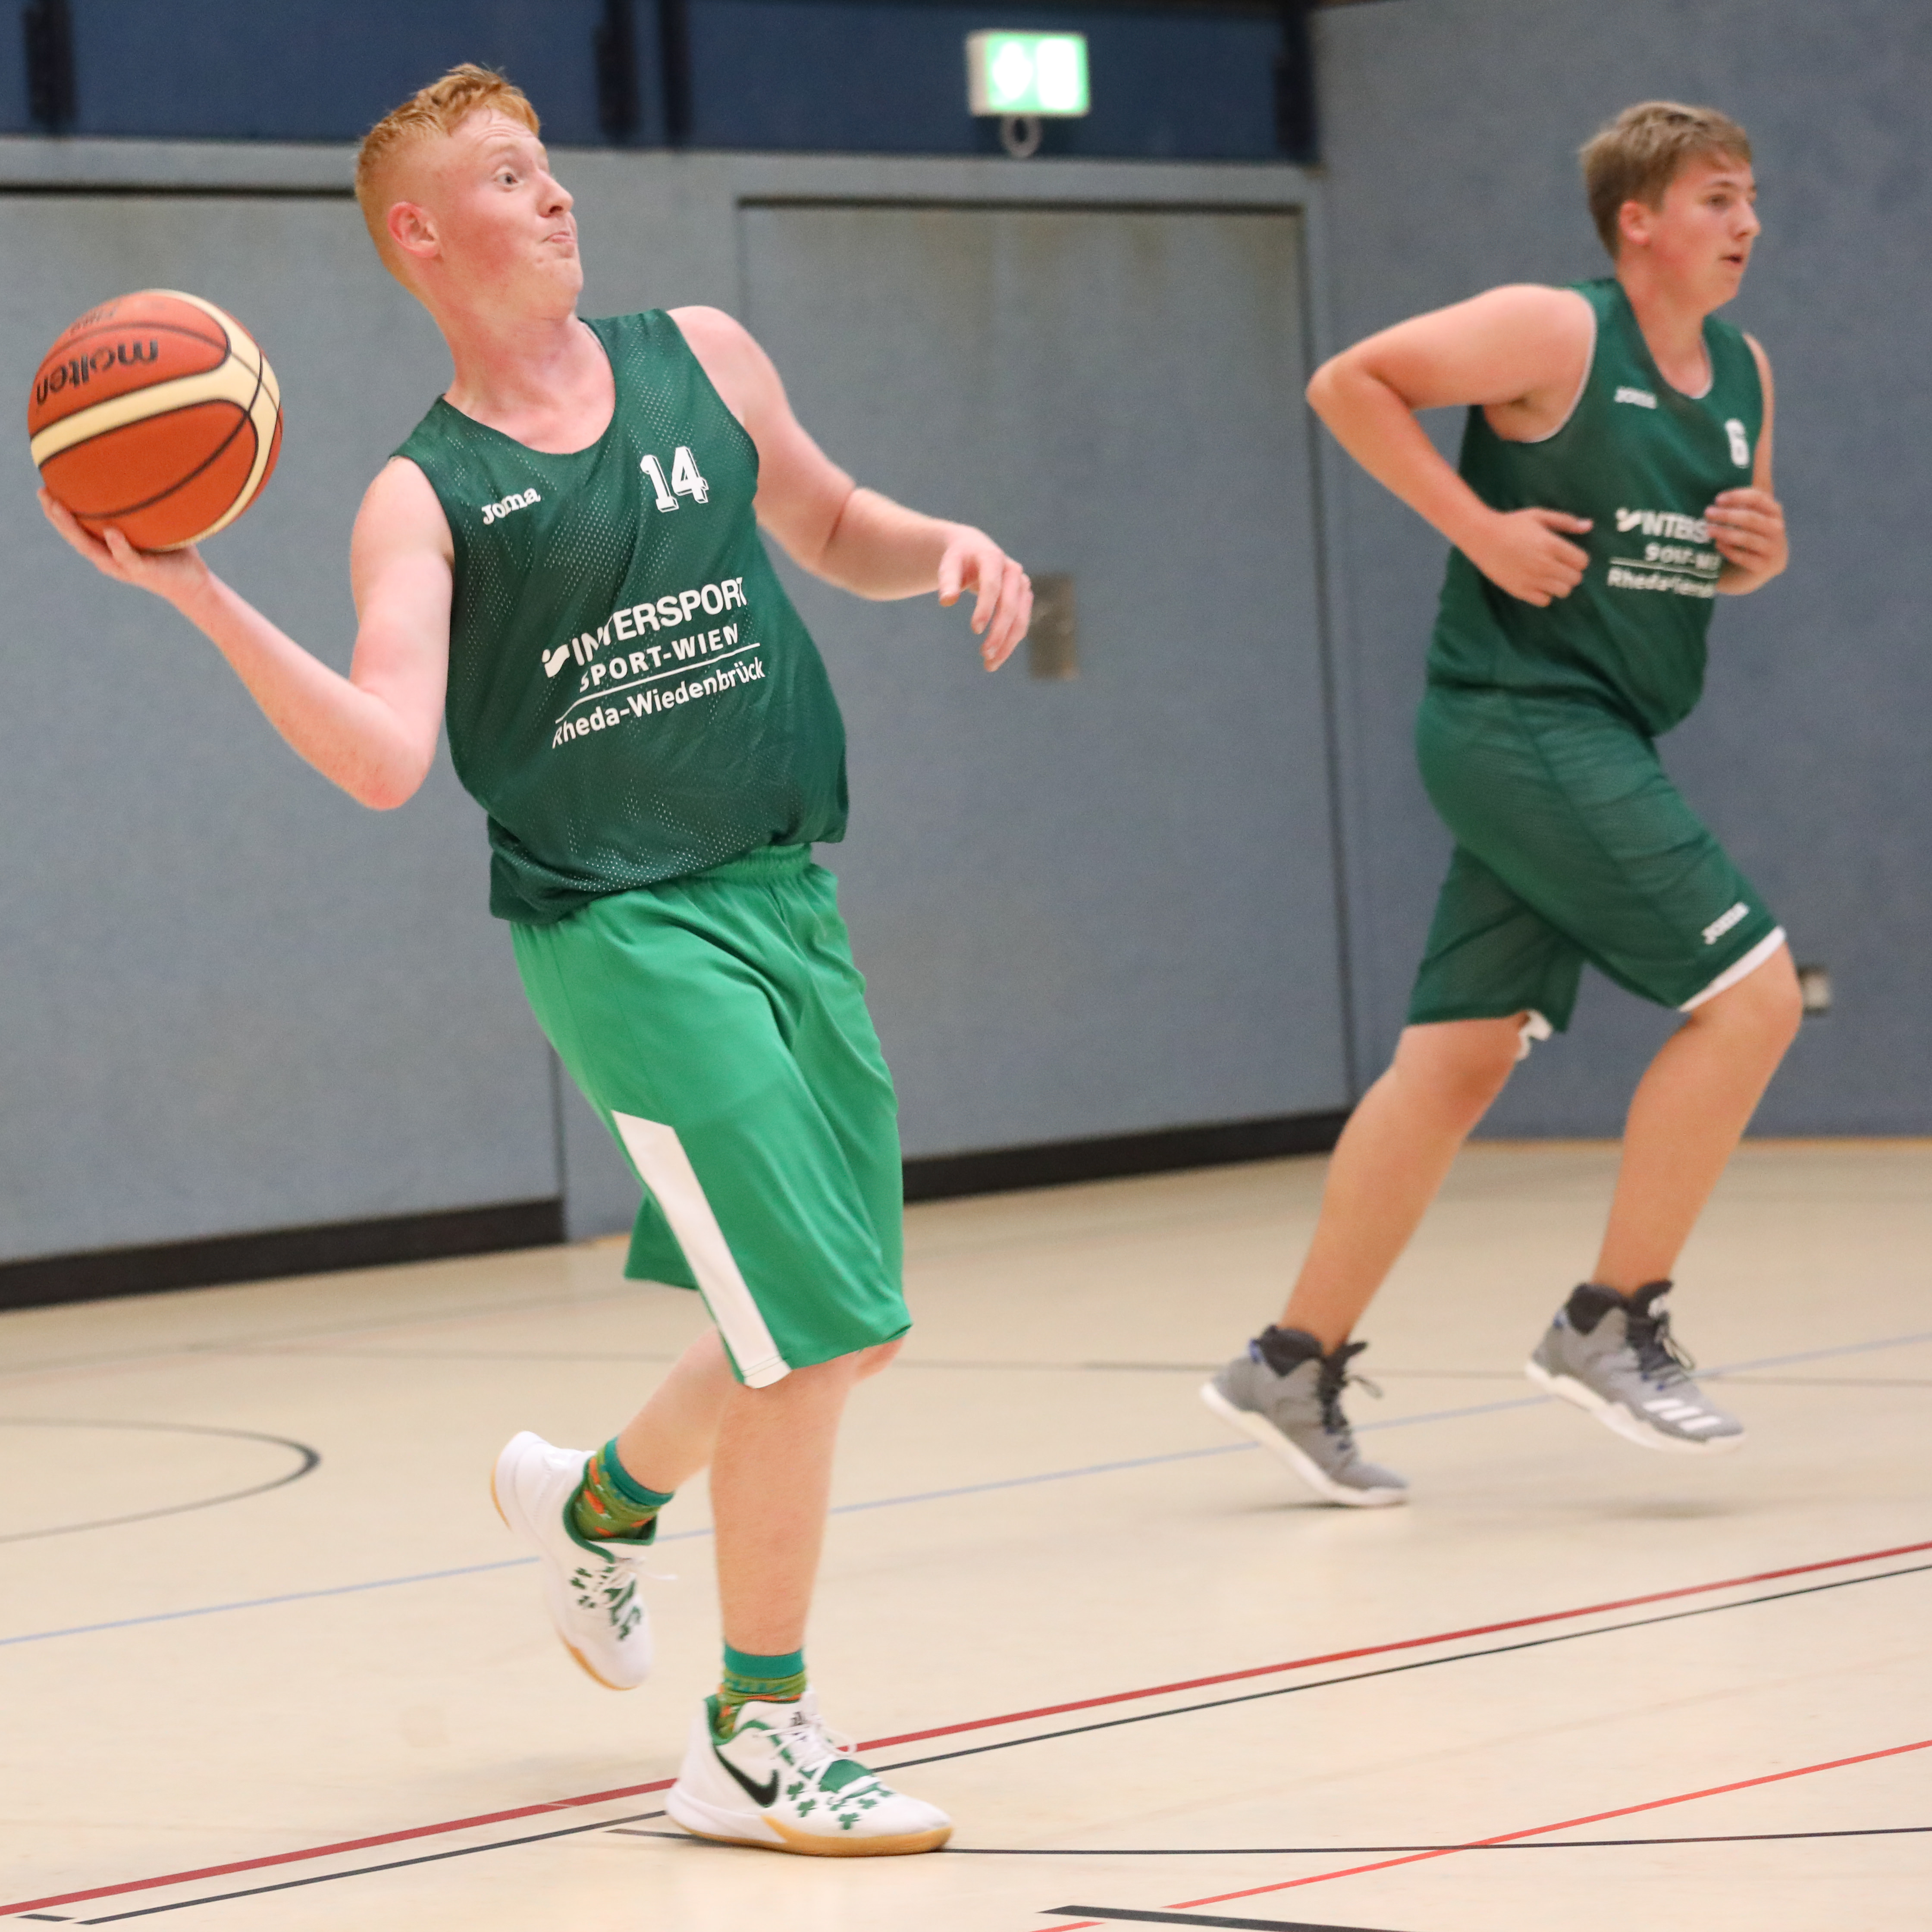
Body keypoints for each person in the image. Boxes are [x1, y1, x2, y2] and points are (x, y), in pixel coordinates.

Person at [41, 65, 1031, 1855]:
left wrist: (940, 546)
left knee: (842, 1330)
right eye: (511, 176)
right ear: (423, 235)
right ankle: (754, 1738)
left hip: (784, 894)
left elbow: (827, 522)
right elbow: (383, 756)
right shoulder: (421, 498)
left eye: (551, 165)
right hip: (621, 927)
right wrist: (194, 590)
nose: (558, 194)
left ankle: (600, 1505)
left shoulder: (704, 354)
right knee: (808, 1333)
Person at [1202, 100, 1799, 1506]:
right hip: (1524, 720)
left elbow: (1718, 553)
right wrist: (1476, 526)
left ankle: (1291, 1359)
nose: (1748, 223)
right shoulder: (1556, 329)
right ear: (1638, 219)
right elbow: (1350, 382)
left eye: (1752, 198)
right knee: (1755, 999)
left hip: (1602, 732)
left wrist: (1757, 555)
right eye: (1718, 198)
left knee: (1457, 1063)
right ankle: (1612, 1318)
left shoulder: (1744, 372)